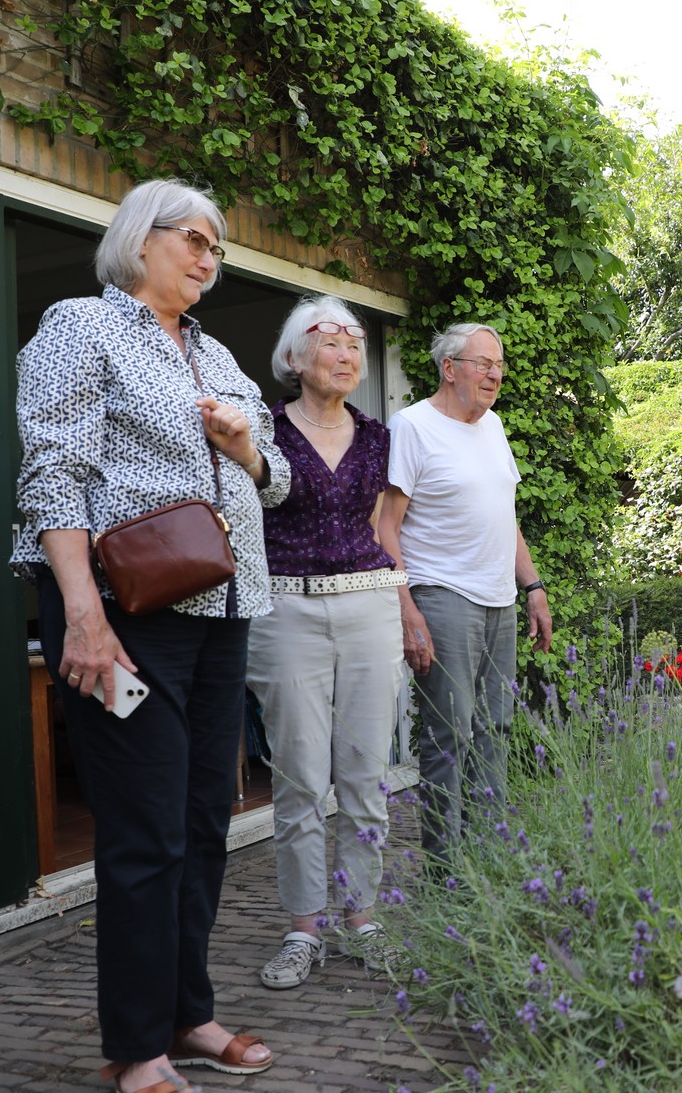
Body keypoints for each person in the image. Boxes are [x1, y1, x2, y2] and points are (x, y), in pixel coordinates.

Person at [12, 178, 287, 1093]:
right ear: (140, 238)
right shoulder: (81, 326)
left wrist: (246, 448)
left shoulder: (218, 354)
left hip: (223, 611)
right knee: (145, 832)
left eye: (217, 247)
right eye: (194, 239)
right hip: (126, 613)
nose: (209, 258)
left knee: (205, 822)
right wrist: (81, 615)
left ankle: (188, 1015)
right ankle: (137, 1048)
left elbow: (278, 480)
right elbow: (53, 474)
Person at [246, 295, 407, 988]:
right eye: (329, 342)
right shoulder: (261, 431)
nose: (345, 355)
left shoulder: (379, 438)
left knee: (367, 774)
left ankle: (361, 917)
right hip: (287, 610)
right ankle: (303, 928)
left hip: (370, 606)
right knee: (301, 778)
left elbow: (386, 528)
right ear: (294, 357)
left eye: (354, 345)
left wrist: (407, 605)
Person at [375, 323, 553, 863]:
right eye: (483, 363)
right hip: (443, 595)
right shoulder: (412, 426)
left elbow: (505, 515)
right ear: (449, 368)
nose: (494, 374)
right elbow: (386, 527)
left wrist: (533, 586)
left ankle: (488, 861)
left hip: (499, 599)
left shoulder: (492, 426)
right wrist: (406, 608)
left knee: (495, 728)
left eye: (498, 365)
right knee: (448, 734)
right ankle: (446, 872)